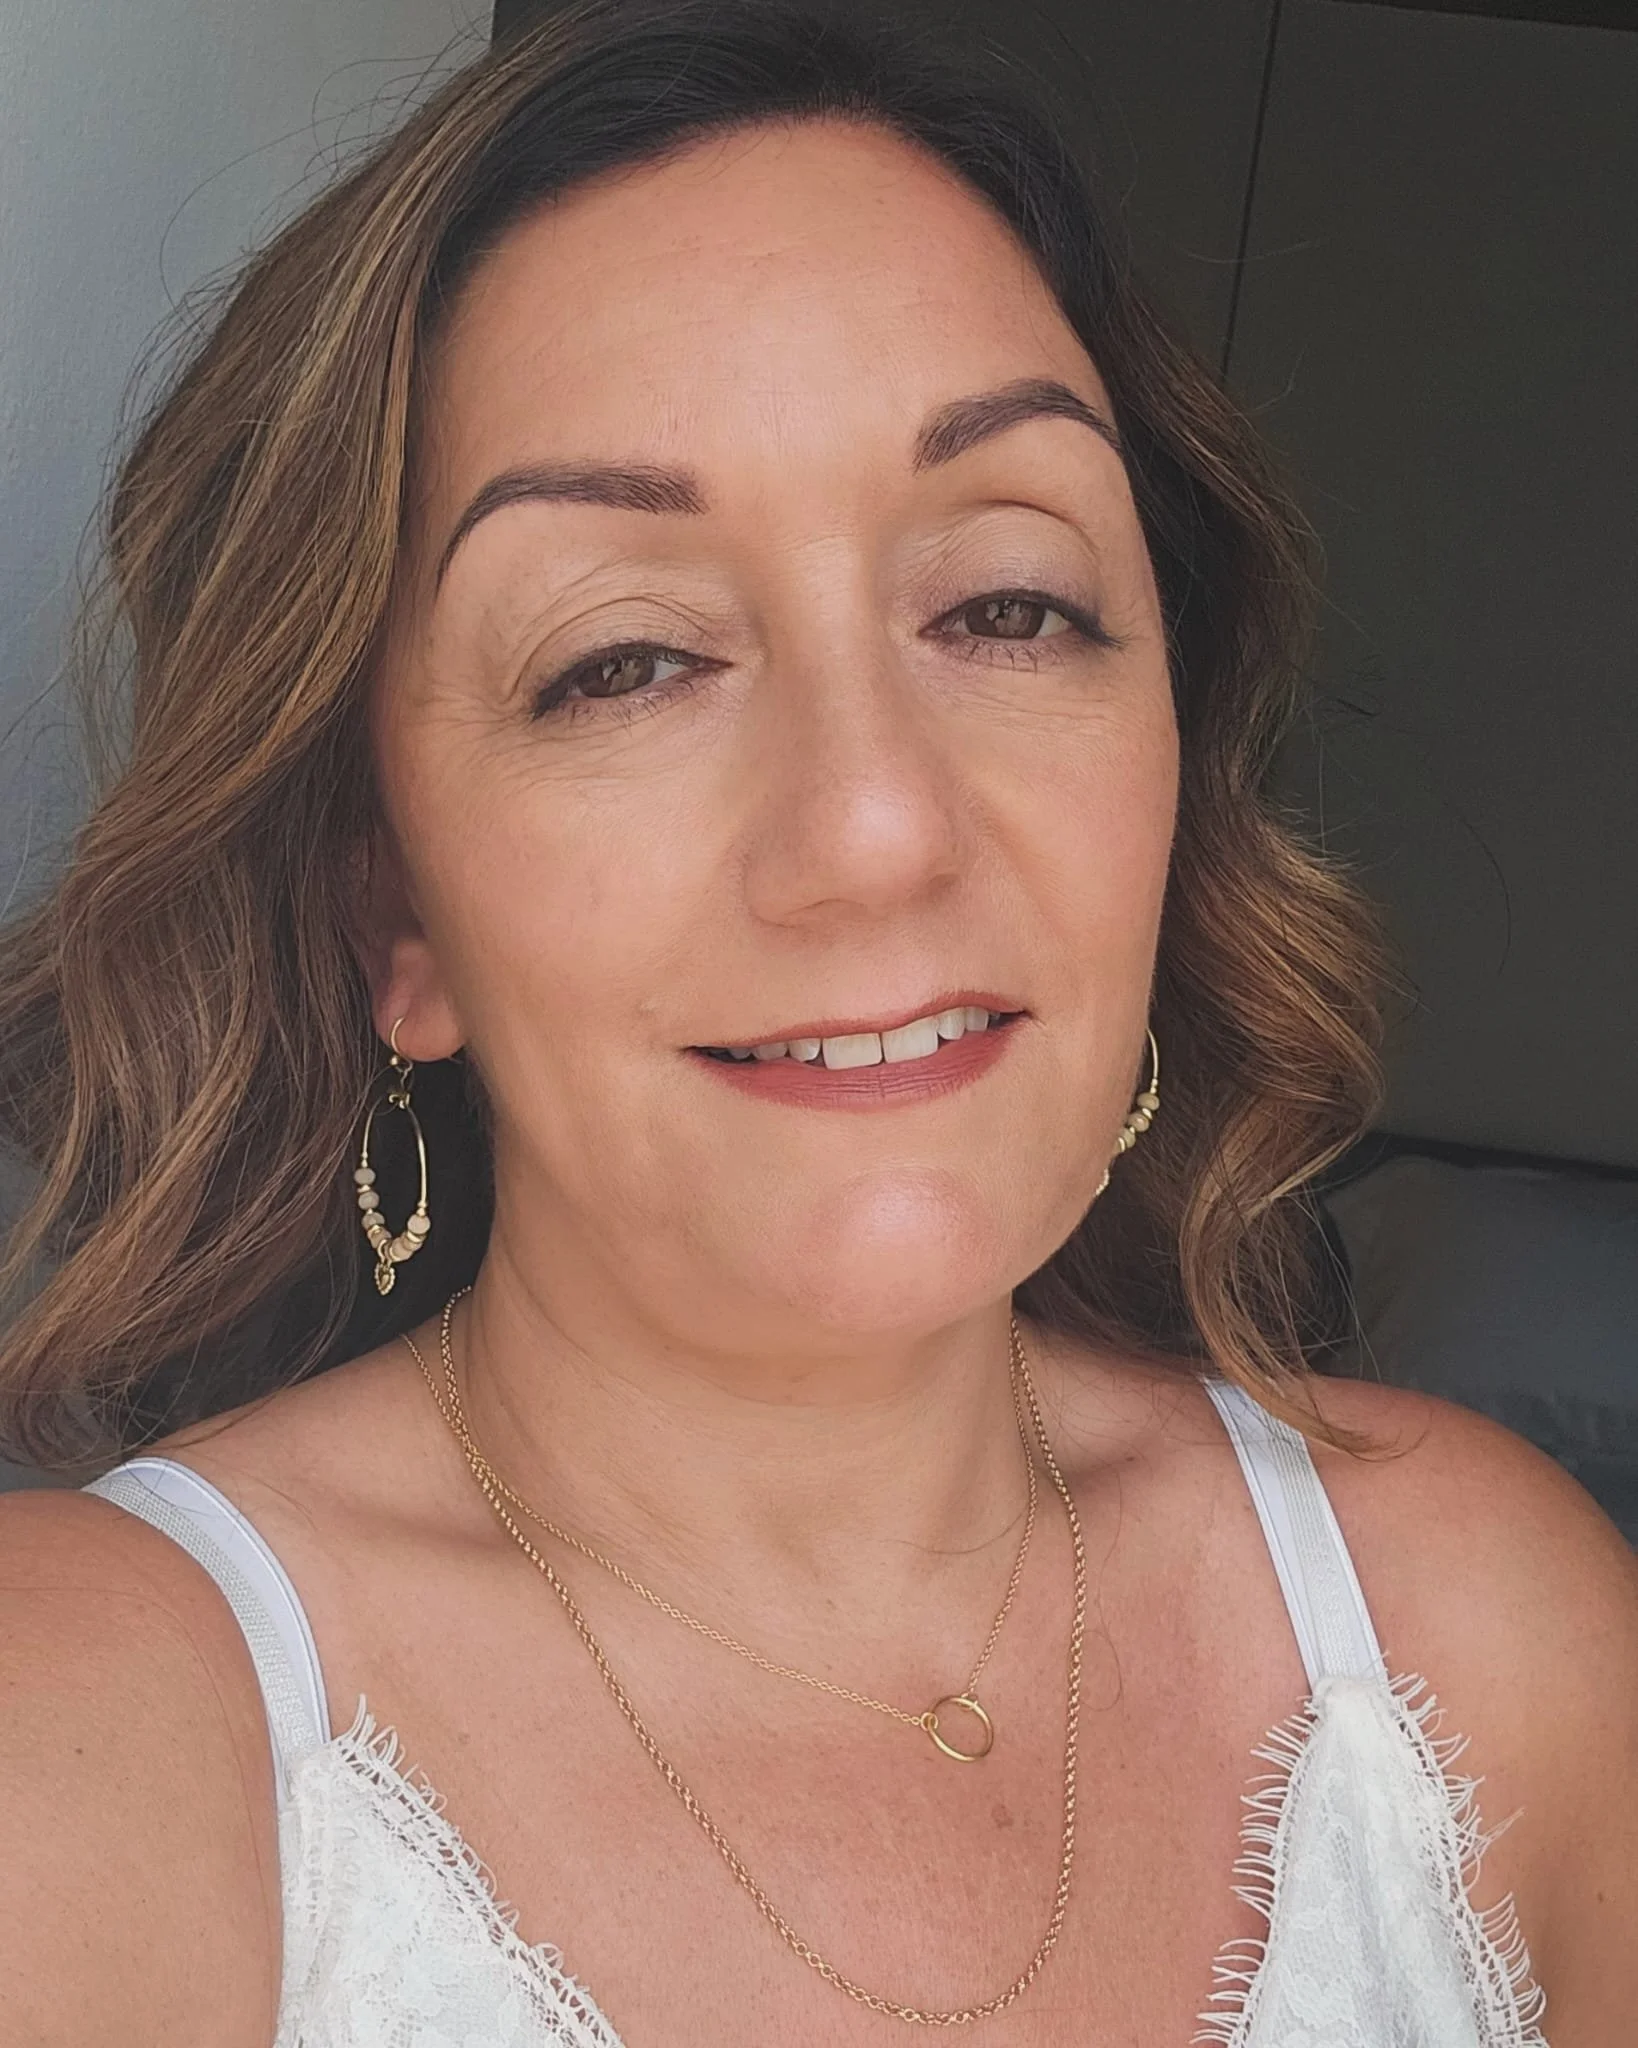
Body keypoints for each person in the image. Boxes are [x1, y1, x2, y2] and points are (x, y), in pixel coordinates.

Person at [0, 2, 1633, 2042]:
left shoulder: (1493, 1636)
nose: (876, 827)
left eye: (1007, 606)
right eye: (625, 662)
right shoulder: (83, 1740)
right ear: (389, 906)